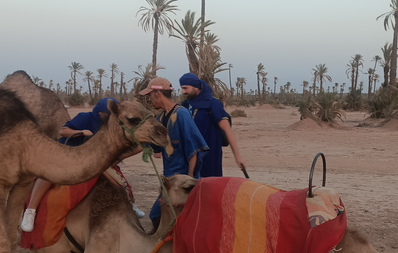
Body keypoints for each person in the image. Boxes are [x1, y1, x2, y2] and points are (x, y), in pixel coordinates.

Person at [20, 98, 145, 232]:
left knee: (117, 180)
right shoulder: (85, 118)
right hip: (70, 154)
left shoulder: (113, 125)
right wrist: (81, 132)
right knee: (48, 176)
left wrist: (117, 157)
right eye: (109, 115)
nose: (111, 118)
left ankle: (129, 203)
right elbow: (62, 132)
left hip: (95, 160)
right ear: (100, 114)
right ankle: (31, 211)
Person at [139, 77, 207, 229]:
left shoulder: (182, 114)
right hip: (169, 182)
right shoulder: (161, 117)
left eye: (150, 95)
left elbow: (193, 151)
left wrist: (188, 183)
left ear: (158, 93)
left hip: (181, 183)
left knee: (159, 217)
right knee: (159, 217)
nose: (150, 100)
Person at [179, 73, 245, 177]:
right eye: (182, 88)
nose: (183, 92)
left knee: (209, 188)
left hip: (210, 158)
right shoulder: (186, 105)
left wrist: (238, 157)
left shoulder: (213, 104)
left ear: (196, 87)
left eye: (185, 88)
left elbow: (228, 131)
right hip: (188, 157)